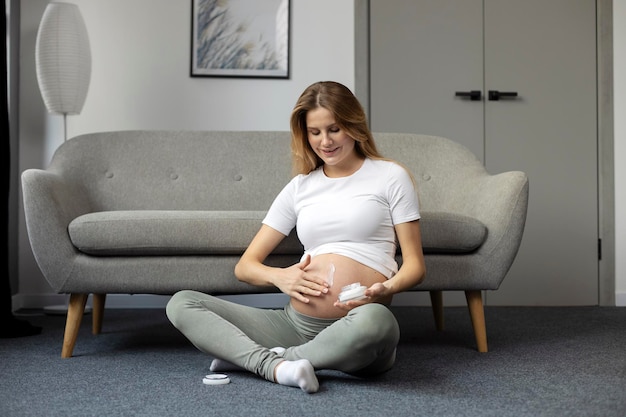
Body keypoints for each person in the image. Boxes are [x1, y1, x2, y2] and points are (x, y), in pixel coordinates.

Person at [166, 81, 425, 393]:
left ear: (354, 126)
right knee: (182, 303)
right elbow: (245, 266)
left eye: (334, 129)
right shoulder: (300, 187)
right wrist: (281, 278)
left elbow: (414, 265)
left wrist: (387, 287)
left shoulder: (390, 176)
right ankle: (279, 366)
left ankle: (268, 361)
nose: (324, 141)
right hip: (294, 325)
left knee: (379, 323)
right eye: (314, 132)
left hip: (358, 326)